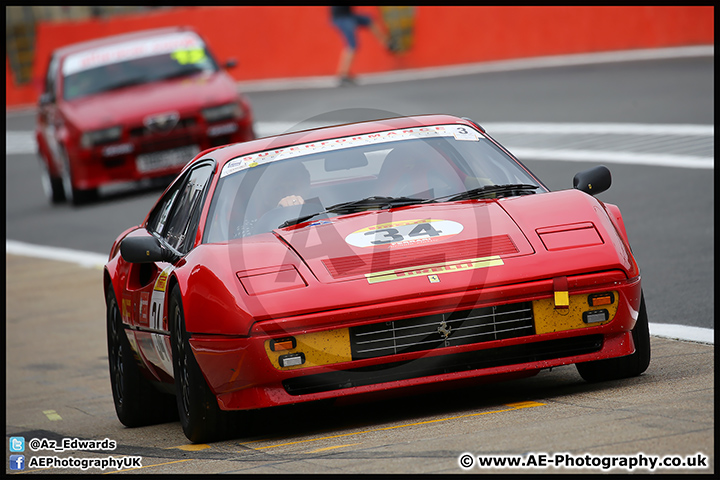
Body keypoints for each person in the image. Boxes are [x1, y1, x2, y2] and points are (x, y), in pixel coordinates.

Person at [330, 6, 393, 86]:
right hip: (342, 18)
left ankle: (387, 43)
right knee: (352, 45)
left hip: (348, 15)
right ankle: (343, 75)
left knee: (369, 21)